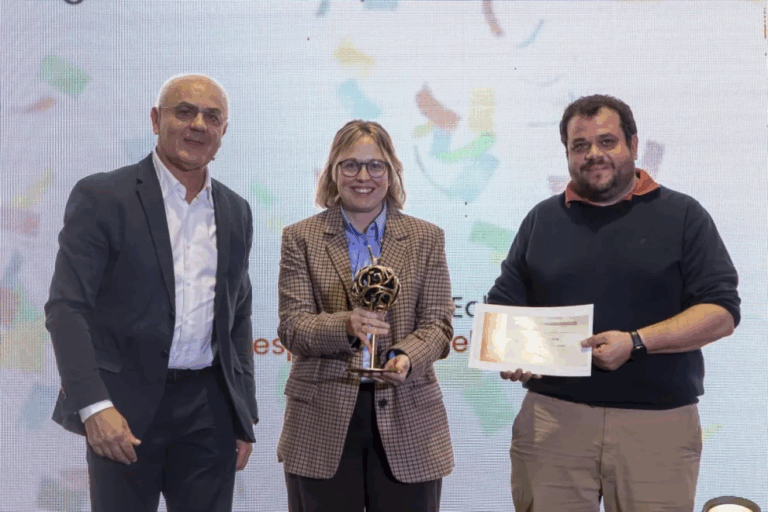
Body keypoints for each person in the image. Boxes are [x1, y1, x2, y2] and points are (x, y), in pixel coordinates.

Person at [487, 94, 740, 511]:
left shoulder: (683, 216)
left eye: (607, 142)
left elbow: (721, 312)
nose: (593, 155)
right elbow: (504, 309)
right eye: (580, 146)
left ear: (634, 145)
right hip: (553, 420)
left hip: (657, 427)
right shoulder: (541, 220)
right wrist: (509, 351)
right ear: (567, 153)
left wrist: (635, 342)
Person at [45, 74, 257, 512]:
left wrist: (243, 415)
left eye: (212, 116)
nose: (198, 124)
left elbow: (238, 318)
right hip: (121, 411)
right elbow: (67, 308)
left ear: (223, 131)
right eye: (185, 111)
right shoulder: (103, 196)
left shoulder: (236, 210)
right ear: (156, 119)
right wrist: (93, 405)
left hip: (209, 412)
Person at [277, 120, 454, 512]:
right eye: (350, 165)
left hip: (408, 414)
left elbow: (439, 323)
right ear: (333, 173)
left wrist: (406, 357)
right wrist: (346, 325)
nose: (363, 176)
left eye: (376, 166)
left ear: (391, 173)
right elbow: (292, 326)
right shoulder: (300, 237)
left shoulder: (427, 238)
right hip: (321, 420)